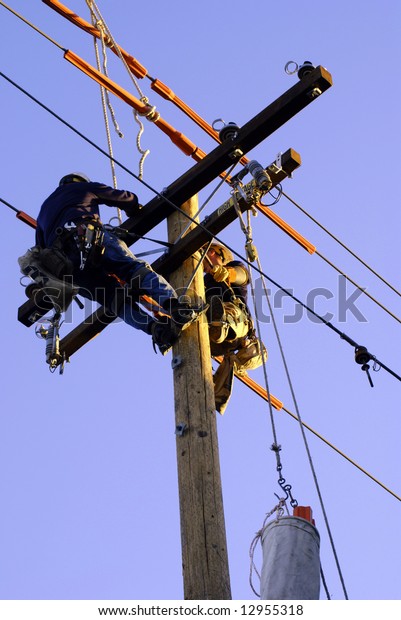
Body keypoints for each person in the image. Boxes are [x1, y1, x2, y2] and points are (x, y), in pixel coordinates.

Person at [33, 172, 204, 354]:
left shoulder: (43, 211)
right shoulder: (80, 188)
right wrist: (133, 207)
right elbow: (122, 198)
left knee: (115, 301)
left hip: (67, 269)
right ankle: (175, 307)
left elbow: (39, 250)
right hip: (87, 237)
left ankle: (157, 330)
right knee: (133, 270)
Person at [203, 241, 267, 413]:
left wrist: (227, 274)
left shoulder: (233, 266)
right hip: (215, 344)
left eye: (206, 252)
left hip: (236, 326)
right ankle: (216, 327)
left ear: (218, 254)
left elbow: (242, 275)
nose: (201, 260)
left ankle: (220, 324)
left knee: (225, 310)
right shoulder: (200, 283)